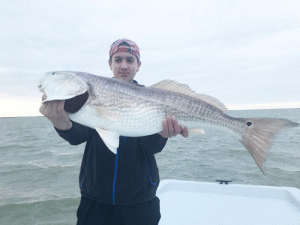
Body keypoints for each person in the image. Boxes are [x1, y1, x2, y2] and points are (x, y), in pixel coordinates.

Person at [39, 38, 188, 225]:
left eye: (130, 60)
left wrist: (163, 135)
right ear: (110, 64)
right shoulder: (89, 96)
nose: (123, 65)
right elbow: (78, 136)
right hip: (95, 200)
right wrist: (60, 122)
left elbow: (151, 147)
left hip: (140, 201)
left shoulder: (153, 97)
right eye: (118, 60)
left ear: (138, 65)